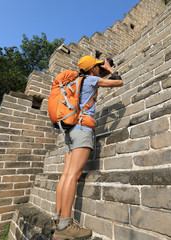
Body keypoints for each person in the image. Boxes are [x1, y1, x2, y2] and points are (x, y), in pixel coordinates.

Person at [52, 56, 123, 240]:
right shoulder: (90, 80)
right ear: (92, 69)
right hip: (83, 129)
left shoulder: (74, 81)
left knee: (66, 174)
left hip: (69, 132)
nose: (100, 69)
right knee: (74, 175)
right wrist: (109, 68)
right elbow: (119, 82)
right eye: (97, 66)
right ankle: (66, 225)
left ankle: (58, 218)